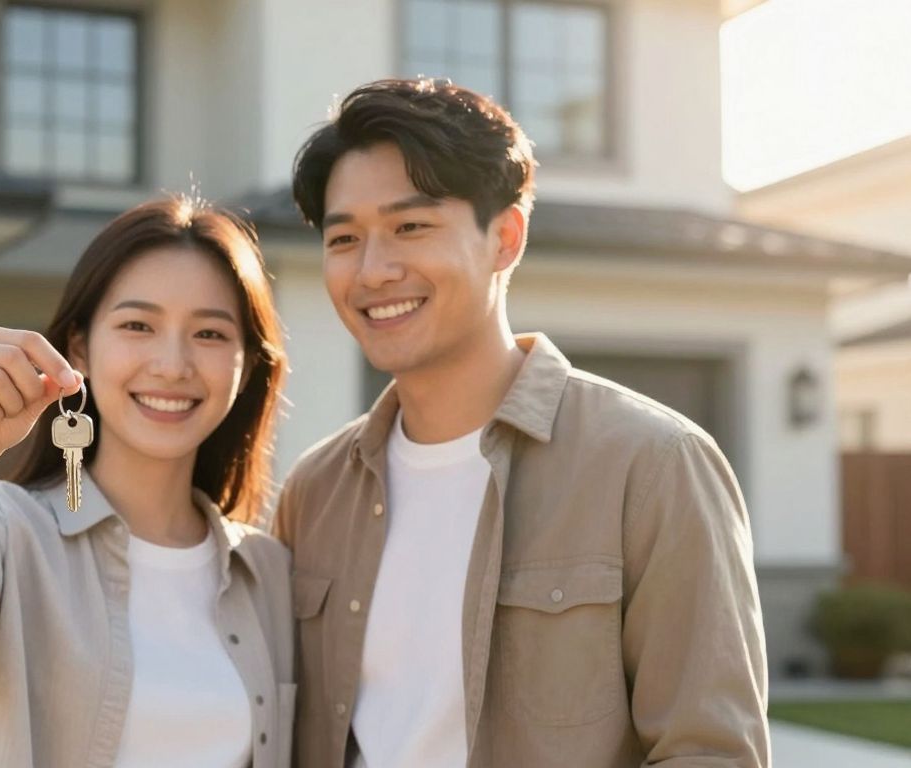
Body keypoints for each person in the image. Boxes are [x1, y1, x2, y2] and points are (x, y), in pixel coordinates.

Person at [273, 79, 769, 767]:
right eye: (345, 238)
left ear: (505, 237)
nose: (373, 270)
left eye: (410, 227)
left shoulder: (652, 464)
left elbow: (709, 751)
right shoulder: (315, 492)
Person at [0, 196, 295, 767]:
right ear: (79, 346)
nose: (172, 365)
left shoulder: (270, 574)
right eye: (138, 325)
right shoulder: (9, 530)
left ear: (247, 363)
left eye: (209, 334)